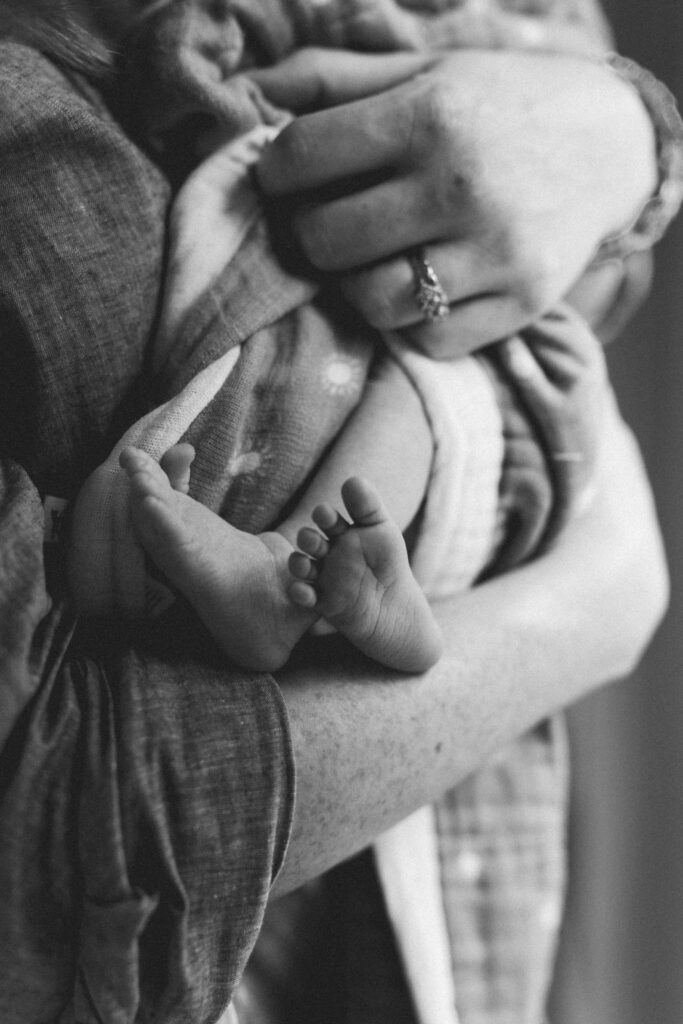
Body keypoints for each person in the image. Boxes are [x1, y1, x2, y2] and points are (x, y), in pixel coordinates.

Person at [0, 3, 674, 1024]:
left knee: (401, 391)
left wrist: (632, 144)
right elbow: (54, 806)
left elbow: (594, 250)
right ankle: (318, 587)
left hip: (505, 405)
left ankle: (287, 570)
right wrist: (596, 602)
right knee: (332, 396)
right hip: (221, 900)